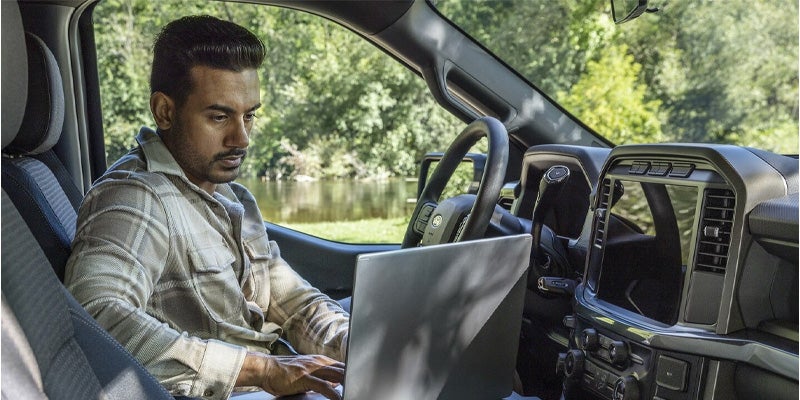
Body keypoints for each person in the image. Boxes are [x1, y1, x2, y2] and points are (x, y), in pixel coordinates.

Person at [65, 15, 349, 400]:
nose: (241, 138)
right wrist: (262, 370)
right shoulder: (136, 197)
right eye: (219, 116)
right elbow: (94, 319)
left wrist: (357, 344)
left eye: (249, 115)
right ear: (165, 111)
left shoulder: (229, 195)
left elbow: (292, 303)